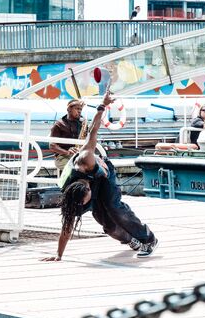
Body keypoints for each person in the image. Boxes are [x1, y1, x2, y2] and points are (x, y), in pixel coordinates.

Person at [43, 90, 158, 261]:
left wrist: (102, 105)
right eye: (85, 204)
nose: (87, 204)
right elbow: (67, 226)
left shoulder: (85, 158)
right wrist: (58, 255)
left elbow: (93, 131)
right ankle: (131, 240)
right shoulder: (71, 194)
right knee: (106, 223)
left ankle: (148, 239)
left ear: (88, 189)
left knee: (113, 206)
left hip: (103, 173)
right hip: (86, 182)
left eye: (88, 200)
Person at [49, 99, 85, 171]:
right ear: (69, 109)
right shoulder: (59, 124)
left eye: (81, 109)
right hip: (62, 157)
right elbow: (52, 146)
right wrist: (67, 152)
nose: (79, 111)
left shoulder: (81, 123)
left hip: (79, 155)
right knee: (76, 170)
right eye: (77, 109)